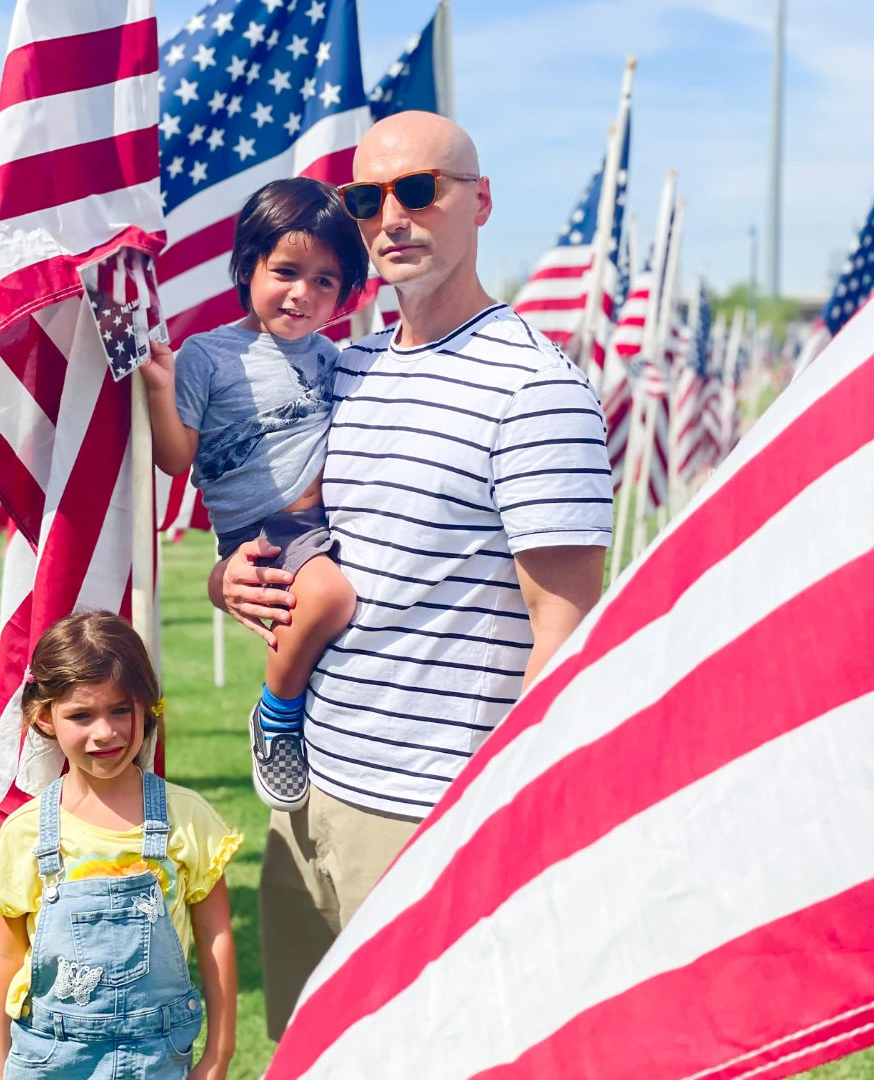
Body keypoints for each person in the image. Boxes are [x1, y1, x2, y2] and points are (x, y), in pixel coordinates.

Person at [213, 111, 614, 1038]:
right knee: (308, 1048)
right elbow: (287, 532)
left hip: (433, 815)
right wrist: (227, 578)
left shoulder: (536, 389)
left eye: (418, 189)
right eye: (366, 198)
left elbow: (564, 627)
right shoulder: (338, 371)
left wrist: (508, 817)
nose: (391, 216)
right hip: (307, 790)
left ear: (479, 201)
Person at [139, 177, 369, 813]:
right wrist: (160, 389)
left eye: (326, 281)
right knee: (328, 595)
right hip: (263, 531)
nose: (304, 293)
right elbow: (173, 456)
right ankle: (276, 716)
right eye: (287, 271)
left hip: (328, 522)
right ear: (247, 267)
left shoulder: (335, 357)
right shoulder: (209, 356)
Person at [0, 611, 241, 1080]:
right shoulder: (27, 832)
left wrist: (218, 1055)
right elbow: (4, 954)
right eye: (81, 715)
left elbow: (216, 937)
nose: (106, 732)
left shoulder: (187, 818)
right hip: (48, 1058)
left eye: (121, 709)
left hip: (157, 1058)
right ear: (45, 717)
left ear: (147, 706)